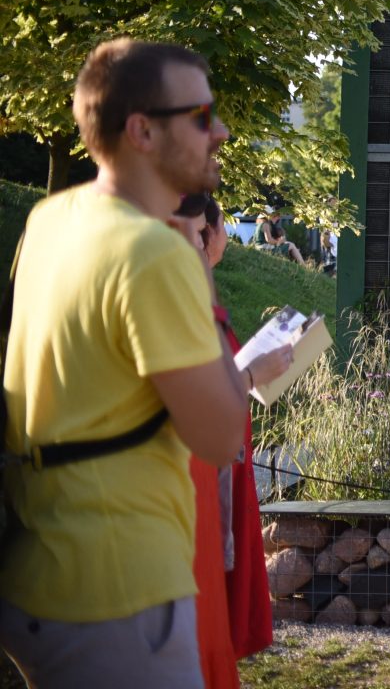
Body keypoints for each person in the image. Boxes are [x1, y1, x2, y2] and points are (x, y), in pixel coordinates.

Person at [1, 39, 248, 689]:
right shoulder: (154, 254)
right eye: (201, 116)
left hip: (38, 570)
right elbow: (221, 435)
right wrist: (199, 268)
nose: (220, 131)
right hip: (119, 591)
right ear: (142, 131)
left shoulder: (50, 218)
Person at [175, 194, 290, 688]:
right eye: (216, 227)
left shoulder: (196, 286)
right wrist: (251, 376)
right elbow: (191, 388)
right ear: (207, 233)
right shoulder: (181, 287)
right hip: (206, 469)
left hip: (224, 458)